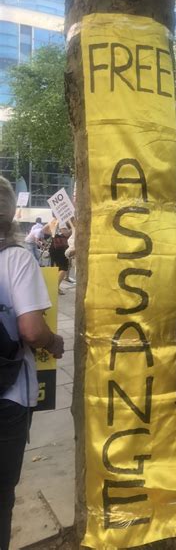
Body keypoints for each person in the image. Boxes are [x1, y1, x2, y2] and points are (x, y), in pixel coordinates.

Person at [0, 175, 64, 550]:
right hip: (6, 394)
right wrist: (54, 343)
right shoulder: (16, 259)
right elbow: (31, 329)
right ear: (10, 214)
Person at [42, 219, 71, 295]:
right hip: (61, 248)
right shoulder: (62, 221)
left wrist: (54, 234)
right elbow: (66, 234)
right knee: (64, 268)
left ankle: (54, 286)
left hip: (53, 246)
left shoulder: (53, 221)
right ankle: (55, 287)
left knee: (56, 268)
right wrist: (73, 229)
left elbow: (44, 230)